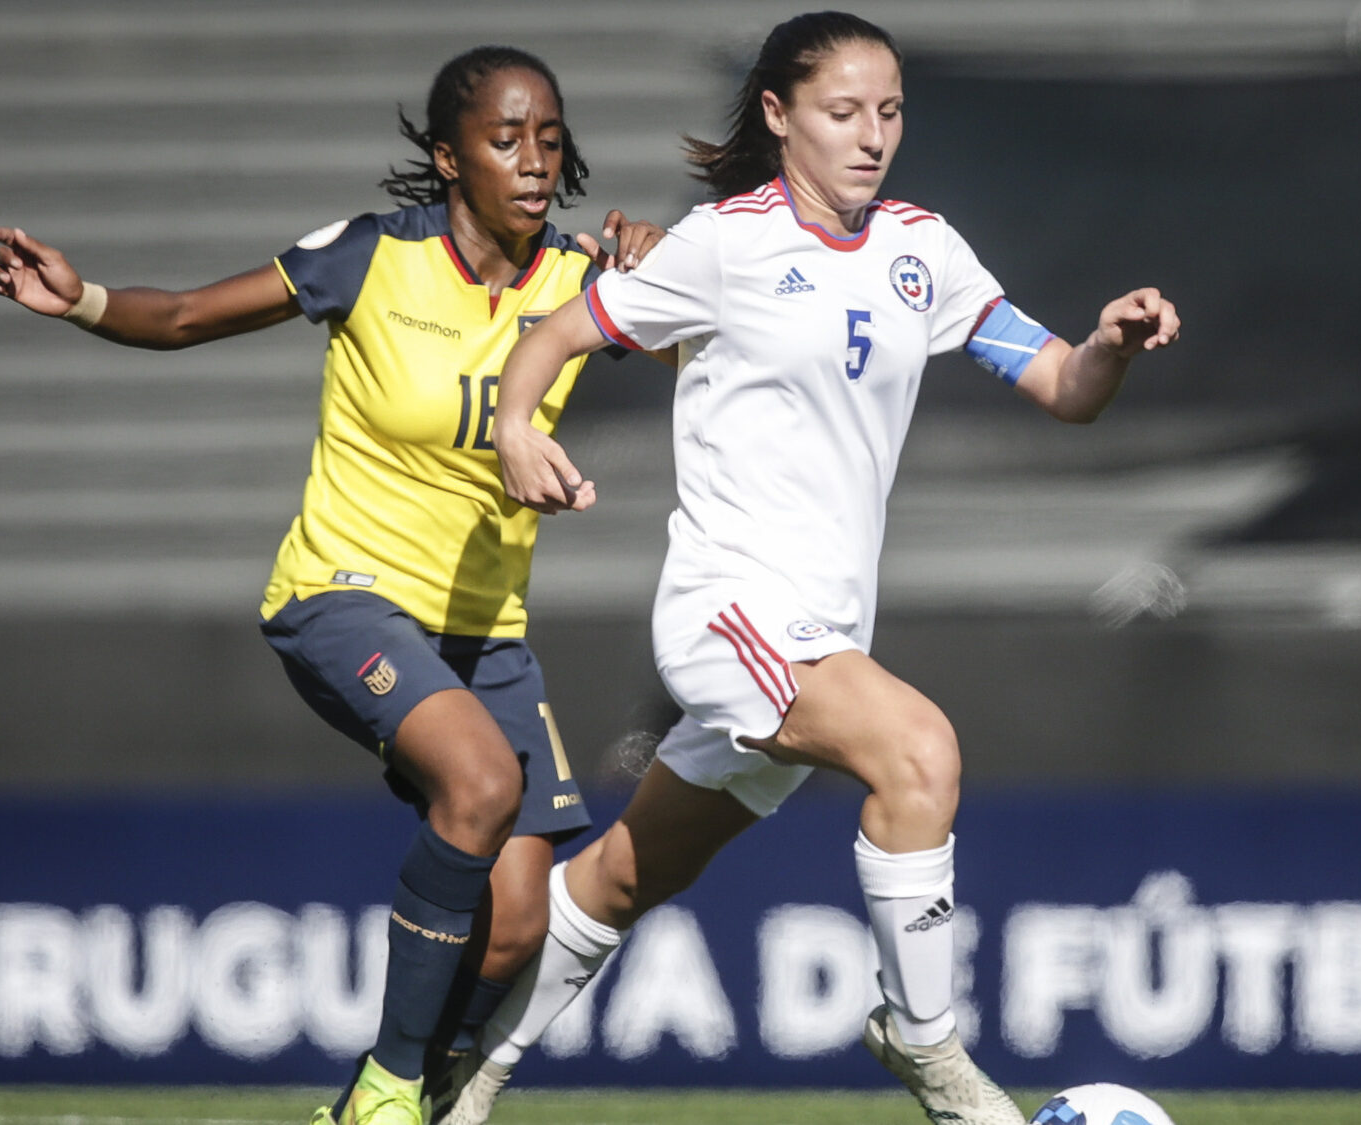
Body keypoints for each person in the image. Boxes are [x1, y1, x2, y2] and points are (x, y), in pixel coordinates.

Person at [452, 11, 1181, 1125]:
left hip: (823, 632)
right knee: (919, 750)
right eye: (843, 112)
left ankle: (465, 1070)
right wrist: (514, 427)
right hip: (727, 614)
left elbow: (1060, 386)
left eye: (888, 111)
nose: (871, 134)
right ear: (778, 115)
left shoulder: (919, 250)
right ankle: (924, 1045)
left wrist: (1108, 347)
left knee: (624, 875)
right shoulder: (722, 244)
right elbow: (553, 333)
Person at [0, 45, 663, 1125]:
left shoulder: (584, 284)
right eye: (505, 138)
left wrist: (669, 267)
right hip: (341, 597)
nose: (535, 161)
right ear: (448, 158)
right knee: (480, 786)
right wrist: (83, 299)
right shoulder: (371, 256)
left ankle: (386, 1102)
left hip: (486, 632)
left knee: (522, 920)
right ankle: (392, 1089)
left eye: (549, 138)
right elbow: (187, 317)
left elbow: (718, 355)